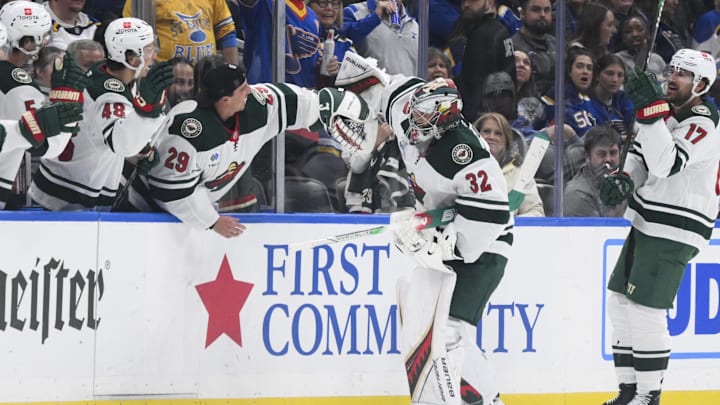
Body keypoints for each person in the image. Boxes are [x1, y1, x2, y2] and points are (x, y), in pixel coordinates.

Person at [334, 55, 511, 404]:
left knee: (450, 332)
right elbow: (378, 83)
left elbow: (490, 215)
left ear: (444, 120)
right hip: (444, 231)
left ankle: (490, 400)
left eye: (425, 119)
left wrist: (441, 243)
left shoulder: (464, 153)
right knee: (420, 332)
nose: (414, 123)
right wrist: (353, 104)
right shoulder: (409, 105)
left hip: (485, 244)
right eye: (415, 114)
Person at [599, 49, 720, 405]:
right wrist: (624, 178)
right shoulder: (662, 111)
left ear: (701, 84)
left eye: (683, 73)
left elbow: (667, 164)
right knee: (619, 303)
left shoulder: (704, 120)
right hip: (647, 219)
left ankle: (648, 395)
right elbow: (640, 157)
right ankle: (628, 391)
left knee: (644, 310)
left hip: (675, 227)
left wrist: (650, 113)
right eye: (672, 70)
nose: (672, 77)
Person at [125, 63, 367, 237]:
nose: (249, 91)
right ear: (224, 99)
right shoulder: (189, 130)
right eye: (242, 89)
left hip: (192, 216)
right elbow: (170, 192)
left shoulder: (254, 106)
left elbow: (292, 101)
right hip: (142, 211)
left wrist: (333, 104)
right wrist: (211, 222)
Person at [29, 17, 174, 211]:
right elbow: (123, 145)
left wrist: (143, 150)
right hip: (67, 198)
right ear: (131, 57)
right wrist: (148, 110)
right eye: (149, 51)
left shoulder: (107, 74)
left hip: (68, 184)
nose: (153, 57)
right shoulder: (107, 94)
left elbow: (101, 131)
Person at [0, 0, 85, 209]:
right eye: (44, 36)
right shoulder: (17, 82)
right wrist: (65, 99)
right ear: (30, 40)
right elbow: (48, 145)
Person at [123, 0, 239, 64]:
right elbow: (134, 36)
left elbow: (226, 32)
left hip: (206, 78)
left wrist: (234, 72)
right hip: (165, 78)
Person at [476, 112, 544, 216]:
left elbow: (536, 212)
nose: (491, 137)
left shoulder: (521, 176)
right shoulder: (460, 169)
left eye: (498, 133)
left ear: (506, 140)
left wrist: (511, 223)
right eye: (486, 131)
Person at [458, 0, 516, 122]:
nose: (467, 4)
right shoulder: (494, 31)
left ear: (489, 2)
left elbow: (477, 85)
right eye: (463, 1)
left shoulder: (485, 35)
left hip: (484, 119)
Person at [343, 0, 419, 76]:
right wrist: (375, 17)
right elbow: (343, 42)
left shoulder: (415, 23)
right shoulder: (354, 12)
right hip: (373, 86)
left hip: (410, 87)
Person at [563, 125, 625, 217]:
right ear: (587, 156)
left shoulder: (625, 181)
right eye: (601, 154)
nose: (608, 159)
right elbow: (603, 230)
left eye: (613, 153)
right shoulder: (578, 195)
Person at [511, 0, 556, 95]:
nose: (543, 15)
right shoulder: (513, 47)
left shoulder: (558, 45)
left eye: (547, 10)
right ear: (522, 13)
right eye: (536, 10)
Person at [590, 53, 634, 140]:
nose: (615, 80)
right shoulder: (587, 102)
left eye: (620, 75)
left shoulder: (623, 99)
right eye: (609, 73)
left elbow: (634, 127)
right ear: (597, 75)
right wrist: (621, 139)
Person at [614, 14, 666, 84]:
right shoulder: (617, 60)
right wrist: (641, 54)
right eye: (628, 31)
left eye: (640, 29)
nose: (634, 34)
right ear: (623, 38)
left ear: (648, 34)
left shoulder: (657, 59)